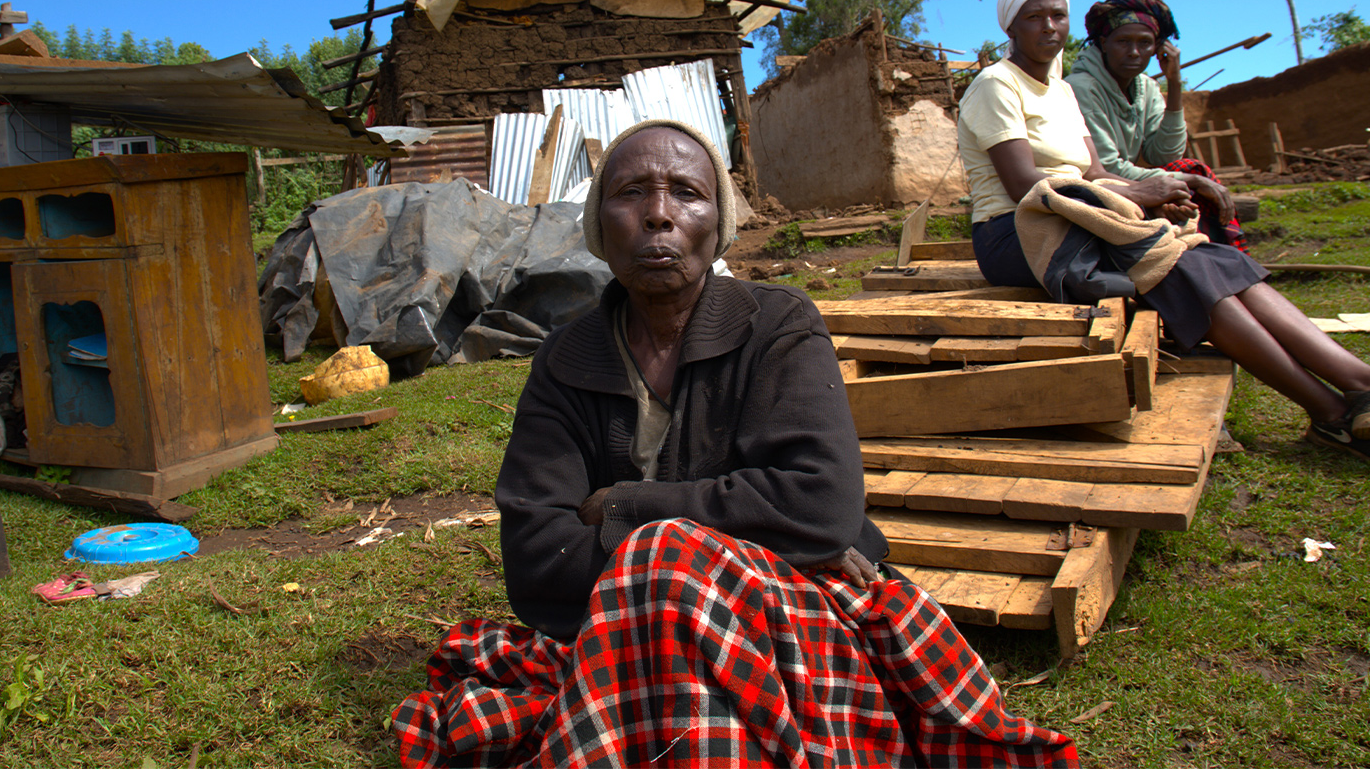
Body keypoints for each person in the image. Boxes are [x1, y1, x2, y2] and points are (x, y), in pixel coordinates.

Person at [389, 119, 1077, 767]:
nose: (659, 214)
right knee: (663, 568)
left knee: (665, 553)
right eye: (631, 193)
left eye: (686, 193)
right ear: (601, 224)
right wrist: (722, 543)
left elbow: (822, 503)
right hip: (624, 634)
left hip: (781, 623)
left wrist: (630, 506)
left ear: (718, 225)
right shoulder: (568, 360)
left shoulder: (777, 325)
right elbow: (537, 559)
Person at [958, 0, 1370, 464]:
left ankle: (1358, 393)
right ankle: (1338, 408)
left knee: (1210, 257)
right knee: (1175, 265)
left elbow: (1092, 172)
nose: (1049, 27)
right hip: (1015, 234)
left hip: (1080, 218)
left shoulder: (1061, 91)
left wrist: (1150, 199)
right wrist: (1137, 191)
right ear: (1012, 26)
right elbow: (1024, 185)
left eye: (1057, 15)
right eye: (1034, 17)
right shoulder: (996, 84)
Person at [1065, 0, 1245, 248]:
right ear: (1104, 43)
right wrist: (1187, 182)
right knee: (1193, 177)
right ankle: (1216, 260)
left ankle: (1219, 260)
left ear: (1158, 47)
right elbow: (1107, 170)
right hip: (1091, 190)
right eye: (1123, 41)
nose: (1134, 52)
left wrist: (1173, 83)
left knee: (1187, 175)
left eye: (1145, 43)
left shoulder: (1146, 88)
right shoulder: (1081, 87)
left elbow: (1164, 155)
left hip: (1125, 185)